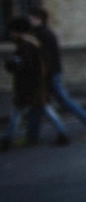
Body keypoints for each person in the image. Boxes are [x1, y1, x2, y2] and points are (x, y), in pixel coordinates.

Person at [26, 7, 86, 142]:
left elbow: (46, 58)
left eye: (32, 18)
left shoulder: (44, 34)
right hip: (48, 74)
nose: (29, 21)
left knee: (63, 102)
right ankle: (31, 136)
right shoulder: (40, 34)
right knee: (37, 104)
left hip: (49, 74)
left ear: (39, 19)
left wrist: (44, 75)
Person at [2, 17, 70, 149]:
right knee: (45, 109)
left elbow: (24, 65)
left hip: (28, 85)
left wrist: (11, 65)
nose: (11, 34)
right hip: (37, 84)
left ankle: (7, 139)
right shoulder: (33, 43)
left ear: (18, 31)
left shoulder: (25, 45)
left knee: (18, 111)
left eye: (12, 31)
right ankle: (62, 133)